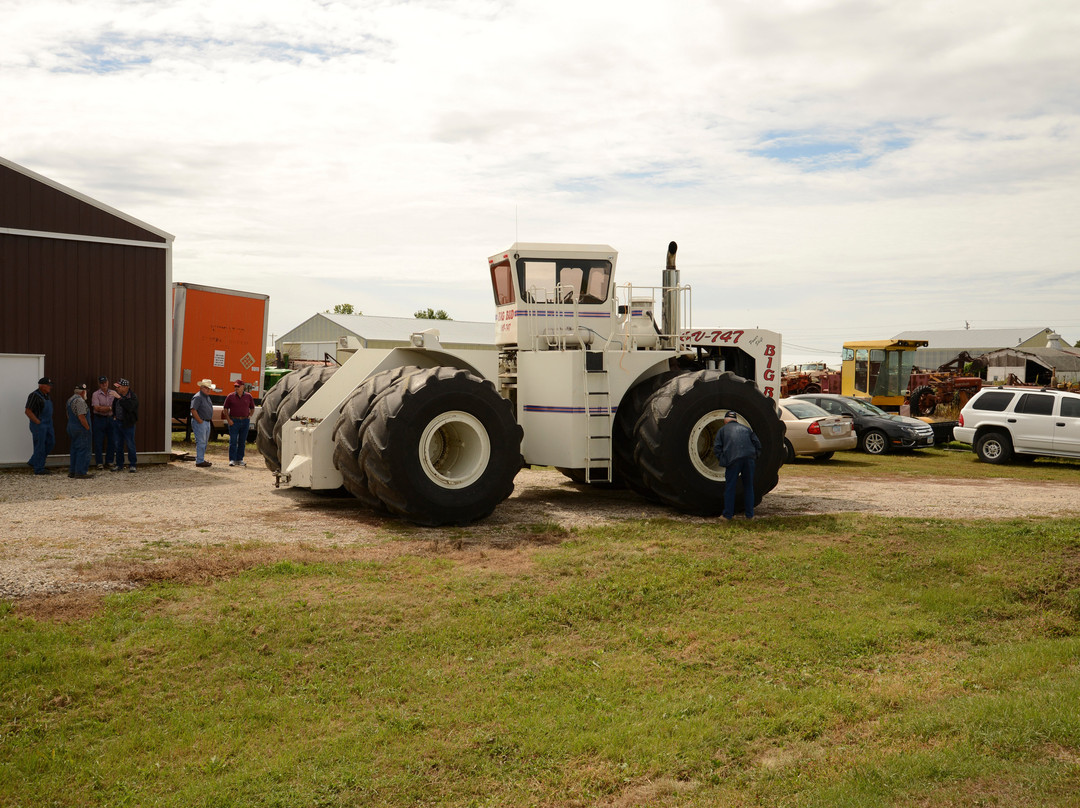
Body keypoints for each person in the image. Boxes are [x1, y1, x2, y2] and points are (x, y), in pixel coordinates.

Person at [712, 410, 762, 520]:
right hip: (749, 459)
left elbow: (717, 448)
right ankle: (750, 515)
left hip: (733, 460)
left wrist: (723, 460)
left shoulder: (722, 430)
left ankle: (728, 515)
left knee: (730, 487)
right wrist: (754, 456)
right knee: (748, 486)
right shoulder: (746, 429)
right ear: (736, 420)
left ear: (725, 421)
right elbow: (757, 444)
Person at [24, 377, 55, 475]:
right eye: (48, 385)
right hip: (39, 425)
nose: (50, 387)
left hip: (49, 424)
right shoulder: (34, 395)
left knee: (51, 443)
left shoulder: (47, 395)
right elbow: (28, 411)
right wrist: (38, 422)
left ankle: (34, 461)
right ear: (41, 386)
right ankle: (39, 468)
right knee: (40, 446)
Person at [222, 380, 255, 467]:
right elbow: (225, 409)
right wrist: (229, 420)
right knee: (233, 441)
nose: (236, 388)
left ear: (243, 387)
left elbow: (252, 408)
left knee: (242, 441)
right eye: (235, 386)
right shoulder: (230, 396)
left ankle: (240, 459)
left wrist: (249, 416)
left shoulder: (248, 396)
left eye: (238, 386)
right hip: (234, 421)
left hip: (245, 421)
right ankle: (232, 459)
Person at [111, 378, 139, 473]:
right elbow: (114, 406)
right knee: (118, 444)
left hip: (128, 424)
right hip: (117, 422)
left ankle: (132, 464)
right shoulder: (117, 396)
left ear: (126, 387)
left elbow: (129, 407)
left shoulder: (133, 396)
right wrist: (114, 416)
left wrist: (119, 398)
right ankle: (119, 464)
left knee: (130, 444)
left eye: (118, 387)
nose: (116, 388)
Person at [91, 376, 118, 470]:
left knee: (112, 440)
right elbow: (96, 408)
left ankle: (109, 461)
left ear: (108, 382)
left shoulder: (113, 393)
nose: (104, 384)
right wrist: (110, 408)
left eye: (105, 382)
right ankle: (99, 463)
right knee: (98, 441)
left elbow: (117, 406)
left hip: (111, 419)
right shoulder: (95, 394)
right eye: (102, 383)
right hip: (99, 419)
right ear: (99, 384)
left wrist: (105, 408)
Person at [66, 383, 92, 478]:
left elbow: (68, 415)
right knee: (83, 449)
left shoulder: (70, 400)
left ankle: (72, 471)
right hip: (80, 428)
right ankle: (80, 472)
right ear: (83, 392)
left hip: (71, 427)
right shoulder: (80, 401)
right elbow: (81, 417)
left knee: (74, 449)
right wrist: (87, 428)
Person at [190, 379, 216, 468]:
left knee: (204, 442)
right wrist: (200, 420)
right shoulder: (198, 397)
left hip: (206, 422)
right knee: (201, 442)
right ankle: (200, 461)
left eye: (209, 388)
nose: (208, 390)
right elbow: (193, 410)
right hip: (201, 422)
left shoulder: (206, 397)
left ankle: (201, 459)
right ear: (201, 388)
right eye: (206, 388)